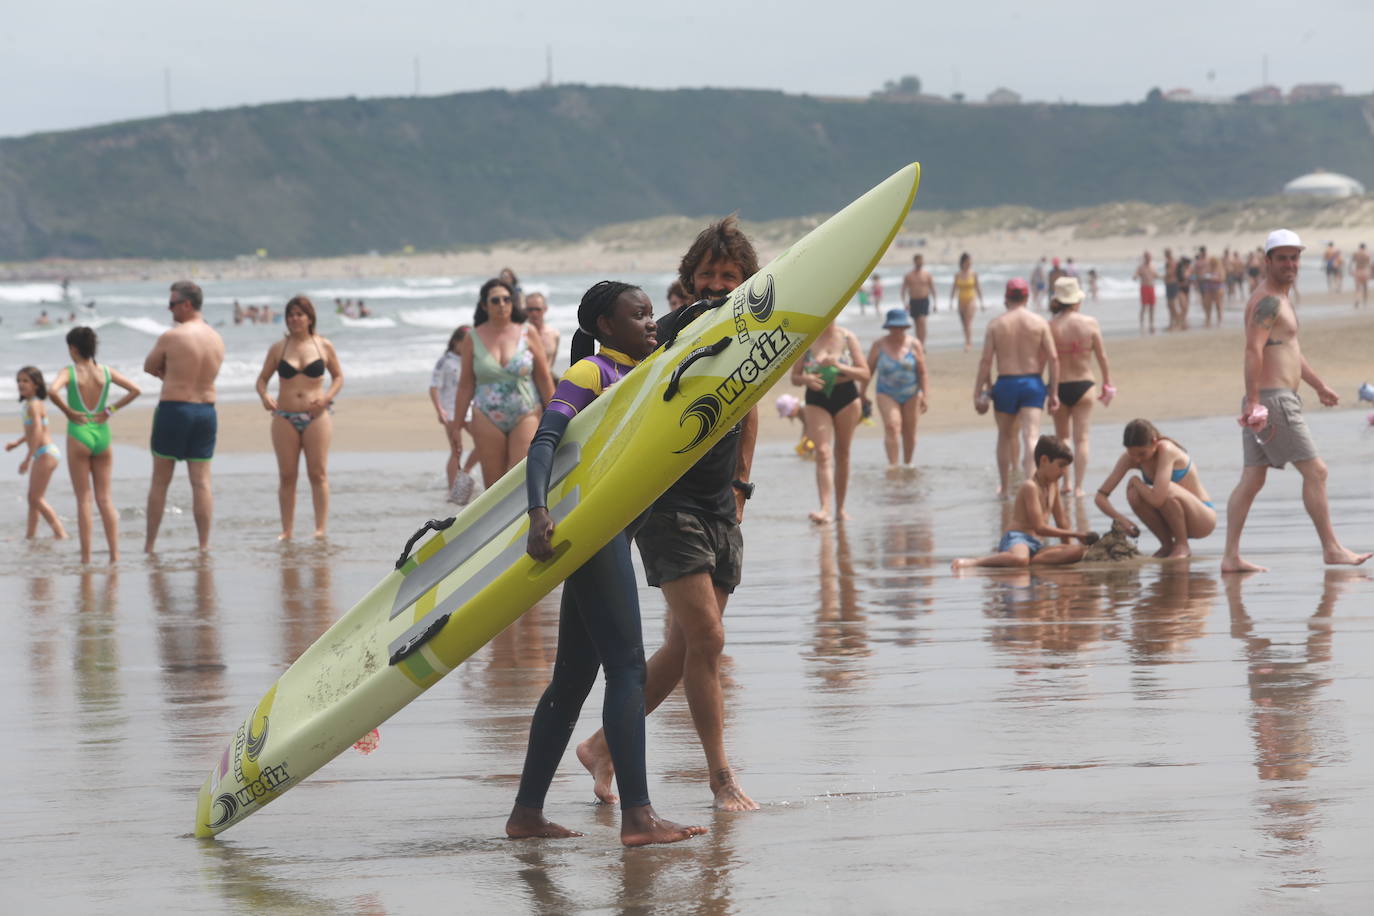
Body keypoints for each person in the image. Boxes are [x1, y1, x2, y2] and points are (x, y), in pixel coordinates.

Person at [509, 280, 705, 847]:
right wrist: (538, 511)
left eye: (652, 315)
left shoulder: (646, 367)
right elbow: (544, 440)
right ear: (605, 328)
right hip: (596, 536)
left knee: (571, 680)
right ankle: (638, 816)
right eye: (638, 316)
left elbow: (681, 331)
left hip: (613, 535)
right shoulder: (591, 374)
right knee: (627, 669)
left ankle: (526, 815)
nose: (651, 323)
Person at [577, 216, 760, 812]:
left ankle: (602, 746)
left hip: (719, 507)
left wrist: (741, 483)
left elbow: (750, 408)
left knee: (688, 649)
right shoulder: (671, 332)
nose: (716, 285)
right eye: (706, 275)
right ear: (688, 279)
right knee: (708, 637)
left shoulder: (750, 335)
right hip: (667, 503)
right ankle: (721, 778)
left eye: (730, 277)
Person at [1222, 229, 1371, 573]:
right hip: (1273, 401)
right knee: (1316, 472)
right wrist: (1255, 402)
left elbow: (1289, 350)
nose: (1290, 264)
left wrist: (1318, 385)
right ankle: (1331, 548)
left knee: (1252, 479)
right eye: (1283, 258)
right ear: (1267, 261)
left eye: (1295, 257)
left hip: (1271, 398)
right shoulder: (1269, 301)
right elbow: (1253, 349)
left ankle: (1230, 556)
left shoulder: (1280, 298)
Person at [143, 281, 224, 552]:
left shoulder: (173, 336)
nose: (170, 309)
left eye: (172, 304)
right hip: (206, 410)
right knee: (201, 482)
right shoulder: (216, 338)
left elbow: (149, 366)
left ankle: (150, 545)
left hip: (175, 409)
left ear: (187, 304)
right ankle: (203, 545)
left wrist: (170, 377)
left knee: (160, 481)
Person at [48, 327, 141, 563]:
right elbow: (135, 390)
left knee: (84, 500)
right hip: (102, 434)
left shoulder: (70, 372)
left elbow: (52, 391)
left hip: (79, 433)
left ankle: (86, 558)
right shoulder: (106, 372)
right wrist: (110, 410)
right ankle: (114, 555)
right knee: (105, 499)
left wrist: (68, 411)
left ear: (73, 348)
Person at [254, 295, 344, 539]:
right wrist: (264, 396)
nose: (294, 319)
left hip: (317, 416)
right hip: (284, 416)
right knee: (287, 475)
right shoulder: (278, 348)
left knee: (318, 473)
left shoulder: (323, 345)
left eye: (299, 314)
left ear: (309, 318)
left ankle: (320, 529)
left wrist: (326, 399)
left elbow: (338, 377)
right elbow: (262, 379)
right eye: (290, 315)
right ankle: (287, 529)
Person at [451, 278, 555, 488]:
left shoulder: (528, 332)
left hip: (525, 412)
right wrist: (457, 425)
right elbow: (465, 384)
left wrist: (557, 414)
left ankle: (528, 521)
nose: (502, 305)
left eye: (507, 299)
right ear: (484, 305)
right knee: (495, 485)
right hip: (486, 415)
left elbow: (543, 377)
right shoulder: (473, 337)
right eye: (495, 300)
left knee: (522, 479)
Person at [973, 278, 1060, 497]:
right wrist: (1054, 391)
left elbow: (986, 361)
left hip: (1006, 382)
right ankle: (1031, 486)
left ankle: (1004, 488)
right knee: (1031, 436)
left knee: (1004, 436)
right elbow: (1053, 358)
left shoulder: (996, 324)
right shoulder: (1039, 322)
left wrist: (979, 391)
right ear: (1027, 297)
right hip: (1032, 382)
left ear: (1006, 297)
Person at [952, 435, 1091, 569]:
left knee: (1078, 551)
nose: (1063, 471)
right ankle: (976, 562)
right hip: (1018, 539)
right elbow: (1039, 527)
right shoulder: (1030, 486)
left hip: (1037, 545)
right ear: (1044, 460)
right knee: (1020, 558)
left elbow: (1062, 522)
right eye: (1060, 466)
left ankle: (1030, 561)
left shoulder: (1053, 485)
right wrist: (1076, 534)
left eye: (1066, 467)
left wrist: (1069, 547)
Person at [1095, 419, 1216, 559]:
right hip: (1172, 519)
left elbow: (1158, 499)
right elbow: (1100, 496)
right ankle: (1166, 545)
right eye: (1132, 454)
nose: (1137, 459)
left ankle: (1182, 545)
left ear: (1154, 442)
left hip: (1201, 519)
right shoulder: (1130, 458)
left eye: (1142, 454)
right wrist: (1122, 520)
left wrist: (1135, 481)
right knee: (1134, 493)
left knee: (1165, 489)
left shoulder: (1166, 449)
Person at [792, 317, 869, 522]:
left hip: (846, 398)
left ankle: (841, 509)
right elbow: (794, 377)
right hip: (816, 398)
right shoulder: (807, 338)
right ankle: (825, 508)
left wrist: (838, 366)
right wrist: (806, 379)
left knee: (842, 453)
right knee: (823, 453)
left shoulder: (847, 337)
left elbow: (865, 374)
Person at [1048, 276, 1113, 497]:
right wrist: (1107, 383)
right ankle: (1078, 487)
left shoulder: (1051, 326)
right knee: (1082, 439)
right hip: (1084, 384)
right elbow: (1102, 357)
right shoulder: (1090, 323)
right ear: (1076, 300)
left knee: (1062, 439)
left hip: (1059, 385)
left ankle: (1065, 483)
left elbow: (1046, 359)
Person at [6, 366, 68, 540]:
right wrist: (17, 443)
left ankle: (60, 533)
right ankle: (30, 536)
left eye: (25, 381)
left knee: (36, 498)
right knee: (33, 498)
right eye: (18, 380)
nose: (21, 384)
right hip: (43, 453)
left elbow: (38, 432)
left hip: (45, 453)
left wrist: (27, 459)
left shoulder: (34, 405)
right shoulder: (29, 404)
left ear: (36, 384)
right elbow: (31, 431)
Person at [863, 308, 928, 466]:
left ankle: (908, 465)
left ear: (906, 327)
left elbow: (922, 372)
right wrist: (861, 393)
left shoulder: (914, 345)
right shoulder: (878, 345)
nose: (897, 330)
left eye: (901, 327)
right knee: (892, 426)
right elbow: (868, 370)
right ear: (888, 327)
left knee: (909, 432)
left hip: (912, 392)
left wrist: (925, 395)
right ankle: (893, 466)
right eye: (894, 327)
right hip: (886, 392)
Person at [429, 326, 478, 499]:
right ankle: (453, 491)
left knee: (483, 442)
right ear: (456, 342)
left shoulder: (471, 359)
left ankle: (465, 471)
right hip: (450, 410)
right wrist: (439, 410)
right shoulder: (445, 361)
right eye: (465, 342)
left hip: (470, 409)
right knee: (457, 449)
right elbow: (434, 387)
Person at [948, 252, 984, 351]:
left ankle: (968, 343)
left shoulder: (973, 274)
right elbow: (954, 288)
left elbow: (978, 287)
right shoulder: (957, 275)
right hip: (961, 300)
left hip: (971, 299)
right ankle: (967, 340)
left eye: (970, 262)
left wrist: (981, 302)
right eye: (967, 262)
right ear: (963, 262)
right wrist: (951, 302)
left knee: (968, 322)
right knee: (964, 323)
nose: (969, 264)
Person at [900, 254, 936, 343]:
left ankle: (922, 344)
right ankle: (919, 343)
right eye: (918, 261)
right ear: (915, 262)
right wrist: (905, 303)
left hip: (924, 300)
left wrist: (935, 303)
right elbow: (903, 290)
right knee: (916, 324)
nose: (920, 263)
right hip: (913, 301)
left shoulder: (927, 274)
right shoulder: (909, 275)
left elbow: (933, 289)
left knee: (922, 321)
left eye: (921, 261)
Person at [523, 292, 561, 371]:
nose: (534, 313)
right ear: (525, 310)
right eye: (530, 310)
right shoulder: (520, 334)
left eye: (538, 309)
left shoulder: (554, 334)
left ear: (545, 309)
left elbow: (551, 363)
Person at [1134, 251, 1158, 333]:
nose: (1149, 258)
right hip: (1144, 288)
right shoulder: (1141, 267)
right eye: (1147, 256)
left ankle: (1151, 324)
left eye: (1150, 256)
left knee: (1152, 307)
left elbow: (1156, 276)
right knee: (1144, 307)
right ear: (1144, 257)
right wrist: (1136, 276)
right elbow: (1136, 275)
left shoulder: (1153, 266)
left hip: (1152, 287)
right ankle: (1142, 324)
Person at [1350, 243, 1369, 308]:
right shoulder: (1367, 254)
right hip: (1364, 272)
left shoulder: (1355, 254)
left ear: (1359, 247)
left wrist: (1350, 271)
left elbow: (1351, 263)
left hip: (1357, 272)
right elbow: (1368, 264)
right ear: (1365, 248)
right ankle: (1364, 302)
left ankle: (1357, 299)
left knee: (1357, 288)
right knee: (1365, 288)